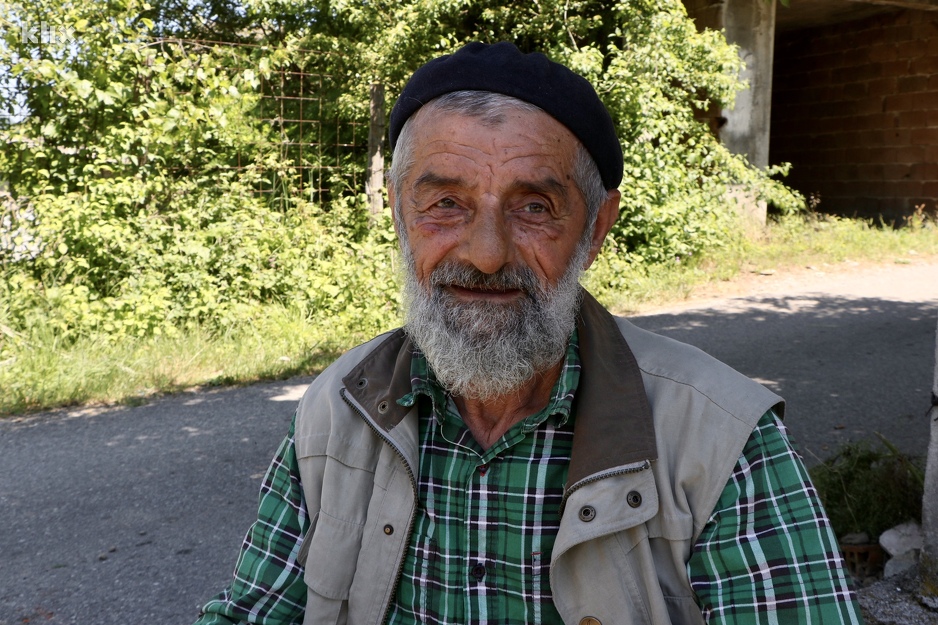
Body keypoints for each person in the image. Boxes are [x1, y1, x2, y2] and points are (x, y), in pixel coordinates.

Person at [194, 42, 863, 625]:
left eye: (534, 207)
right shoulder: (332, 413)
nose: (485, 254)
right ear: (400, 213)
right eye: (446, 204)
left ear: (596, 229)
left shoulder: (723, 442)